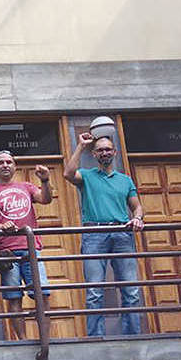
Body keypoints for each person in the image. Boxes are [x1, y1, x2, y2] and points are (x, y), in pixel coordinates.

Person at [64, 130, 145, 336]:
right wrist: (81, 146)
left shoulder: (125, 180)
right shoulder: (88, 176)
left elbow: (137, 206)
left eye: (108, 149)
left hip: (121, 233)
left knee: (131, 290)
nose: (104, 153)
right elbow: (68, 174)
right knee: (94, 291)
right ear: (94, 154)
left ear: (115, 152)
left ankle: (133, 337)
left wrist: (137, 217)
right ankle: (95, 338)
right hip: (94, 233)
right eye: (100, 150)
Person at [0, 150, 52, 340]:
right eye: (1, 162)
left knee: (42, 294)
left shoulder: (26, 186)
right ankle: (22, 340)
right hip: (6, 251)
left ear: (14, 166)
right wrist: (1, 225)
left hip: (31, 248)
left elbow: (45, 199)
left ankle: (46, 338)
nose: (5, 165)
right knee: (13, 297)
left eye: (9, 162)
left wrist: (45, 181)